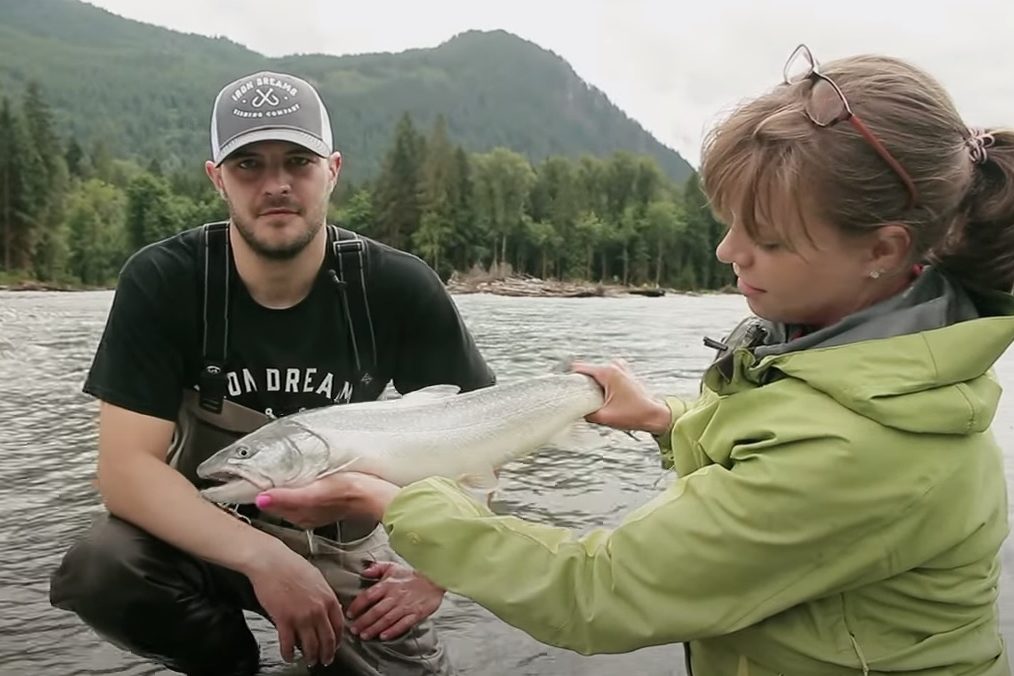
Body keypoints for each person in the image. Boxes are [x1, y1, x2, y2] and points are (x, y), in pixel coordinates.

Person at [285, 45, 1014, 675]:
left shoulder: (863, 450)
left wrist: (397, 501)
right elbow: (780, 434)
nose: (729, 253)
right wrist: (664, 417)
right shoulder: (866, 347)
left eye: (768, 239)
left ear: (882, 251)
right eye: (731, 225)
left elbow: (593, 594)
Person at [49, 70, 495, 676]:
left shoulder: (397, 286)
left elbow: (484, 440)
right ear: (217, 178)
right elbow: (125, 471)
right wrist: (266, 559)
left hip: (344, 549)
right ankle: (231, 665)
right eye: (249, 165)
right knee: (103, 568)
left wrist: (441, 569)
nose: (276, 184)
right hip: (202, 532)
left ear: (333, 169)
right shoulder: (163, 282)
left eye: (298, 161)